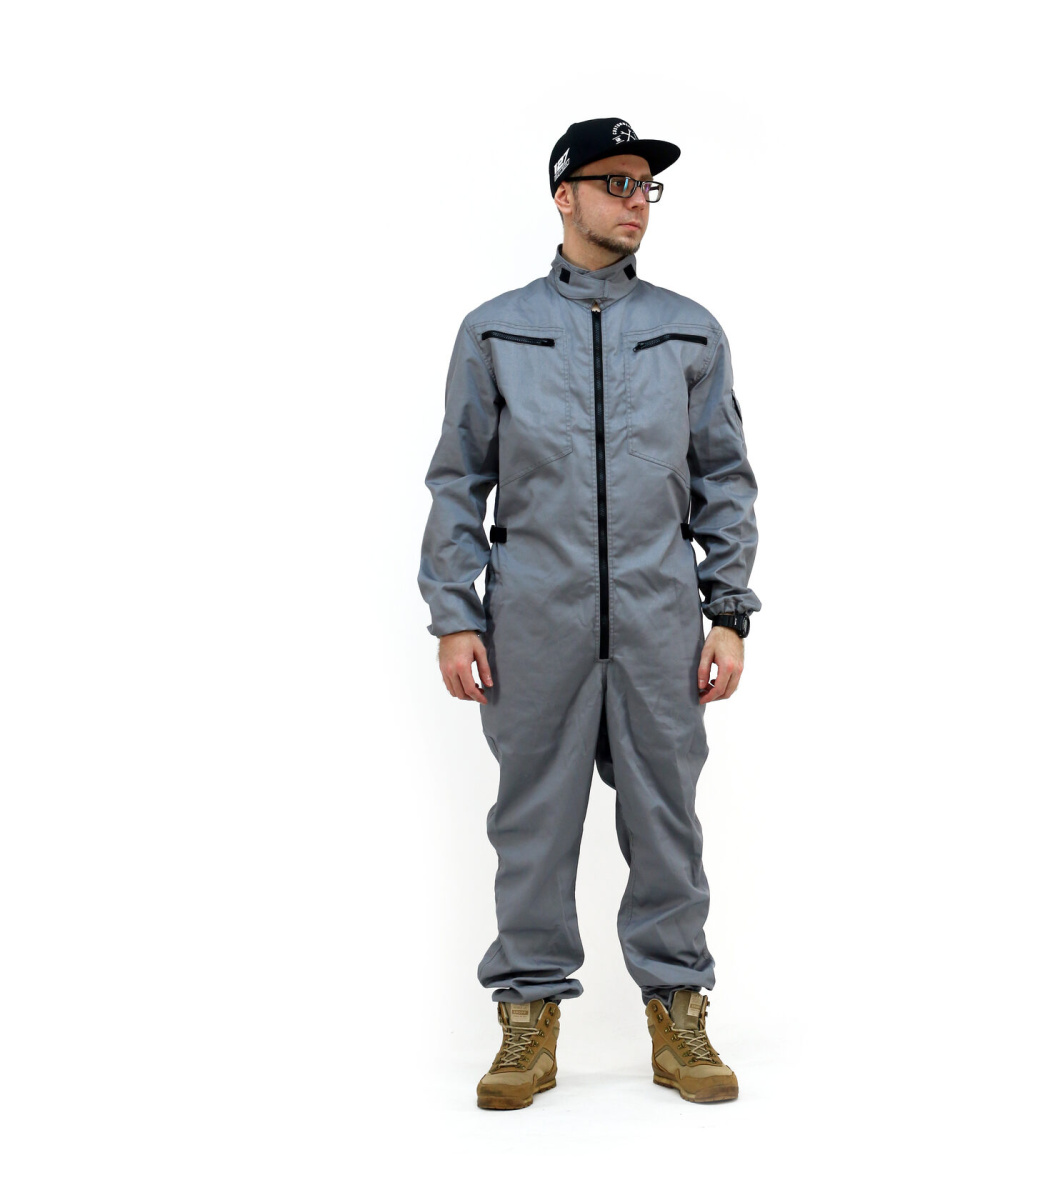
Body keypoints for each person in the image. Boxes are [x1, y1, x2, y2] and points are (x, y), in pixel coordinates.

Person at [418, 117, 761, 1109]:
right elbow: (458, 479)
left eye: (646, 185)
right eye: (614, 182)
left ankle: (678, 1010)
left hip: (659, 621)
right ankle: (527, 1020)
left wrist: (728, 611)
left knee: (667, 824)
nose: (634, 200)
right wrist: (455, 614)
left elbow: (725, 480)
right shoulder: (497, 330)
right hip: (535, 619)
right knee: (532, 823)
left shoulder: (689, 331)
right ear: (563, 195)